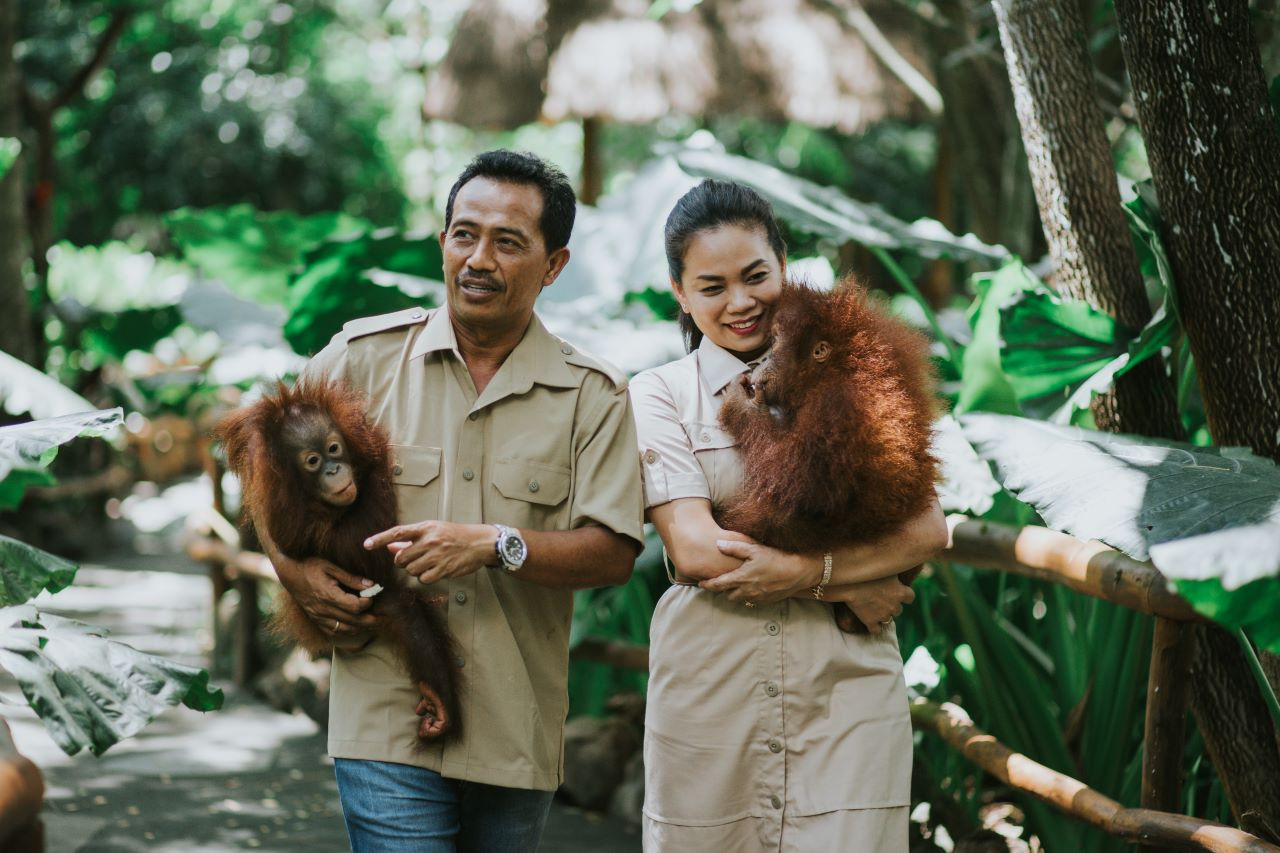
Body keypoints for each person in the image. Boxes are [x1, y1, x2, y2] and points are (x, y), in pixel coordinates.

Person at [259, 149, 645, 852]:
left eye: (508, 242)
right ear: (442, 243)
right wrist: (292, 569)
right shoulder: (361, 359)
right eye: (464, 234)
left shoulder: (594, 395)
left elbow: (614, 551)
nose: (478, 258)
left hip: (514, 725)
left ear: (553, 265)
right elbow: (264, 461)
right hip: (385, 714)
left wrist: (498, 544)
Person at [629, 179, 948, 852]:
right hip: (714, 691)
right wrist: (844, 579)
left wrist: (804, 567)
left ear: (783, 266)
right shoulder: (659, 395)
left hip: (845, 688)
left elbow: (927, 528)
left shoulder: (853, 369)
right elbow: (694, 549)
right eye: (711, 286)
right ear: (680, 293)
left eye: (755, 276)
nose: (740, 302)